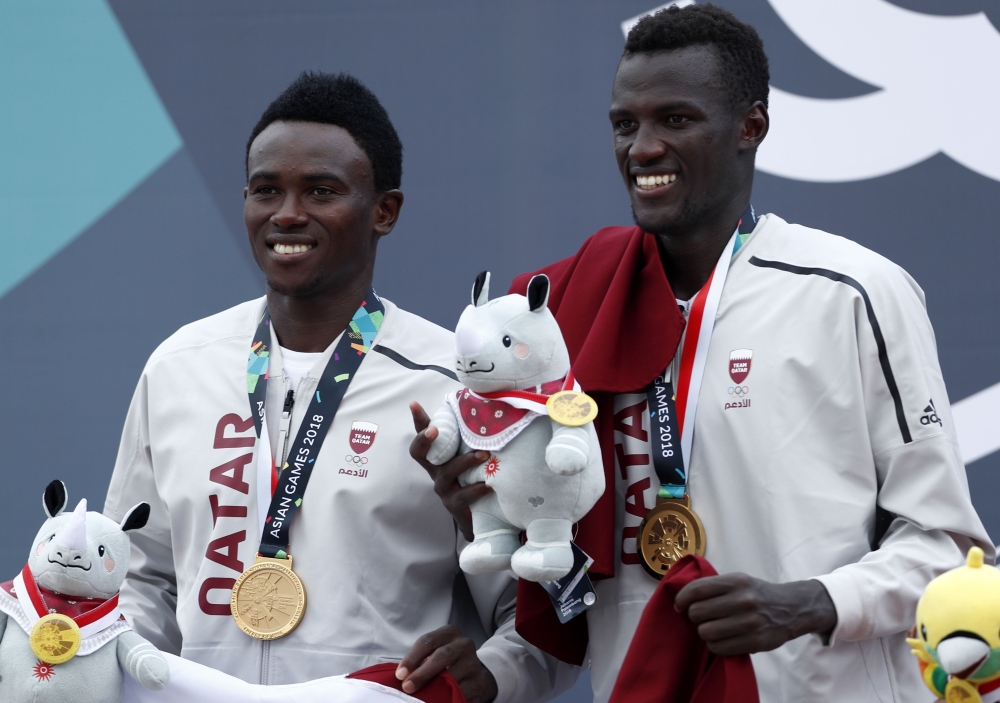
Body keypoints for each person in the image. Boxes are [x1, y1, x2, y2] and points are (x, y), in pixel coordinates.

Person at [409, 6, 993, 702]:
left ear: (751, 126)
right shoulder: (559, 322)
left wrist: (811, 602)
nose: (643, 148)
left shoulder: (852, 291)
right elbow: (576, 607)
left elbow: (948, 549)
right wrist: (495, 665)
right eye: (625, 125)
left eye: (675, 120)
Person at [103, 71, 574, 703]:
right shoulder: (179, 367)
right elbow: (136, 578)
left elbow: (540, 610)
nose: (287, 214)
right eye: (266, 190)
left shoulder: (456, 387)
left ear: (384, 211)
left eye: (321, 191)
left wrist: (493, 674)